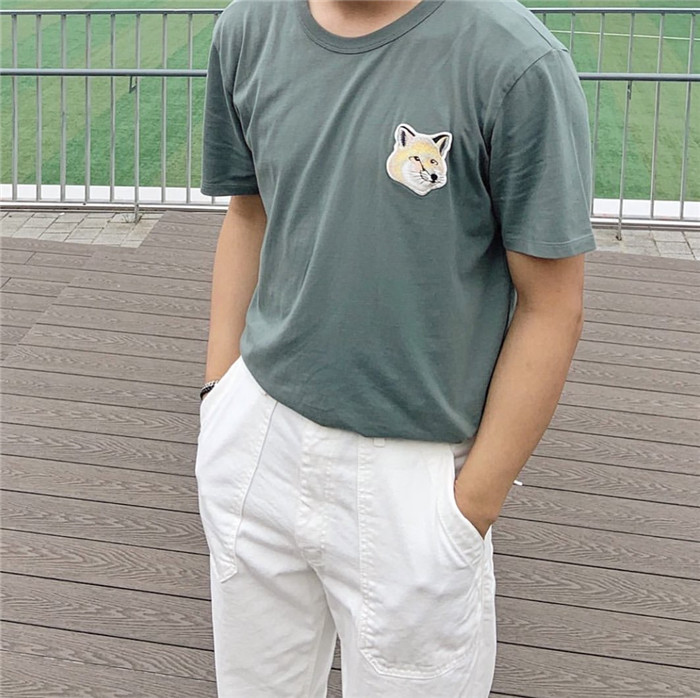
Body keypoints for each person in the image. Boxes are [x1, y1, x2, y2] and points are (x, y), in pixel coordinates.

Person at [196, 0, 597, 695]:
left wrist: (471, 507)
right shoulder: (247, 26)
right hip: (256, 440)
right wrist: (218, 398)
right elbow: (249, 212)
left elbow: (552, 305)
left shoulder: (515, 59)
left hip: (417, 474)